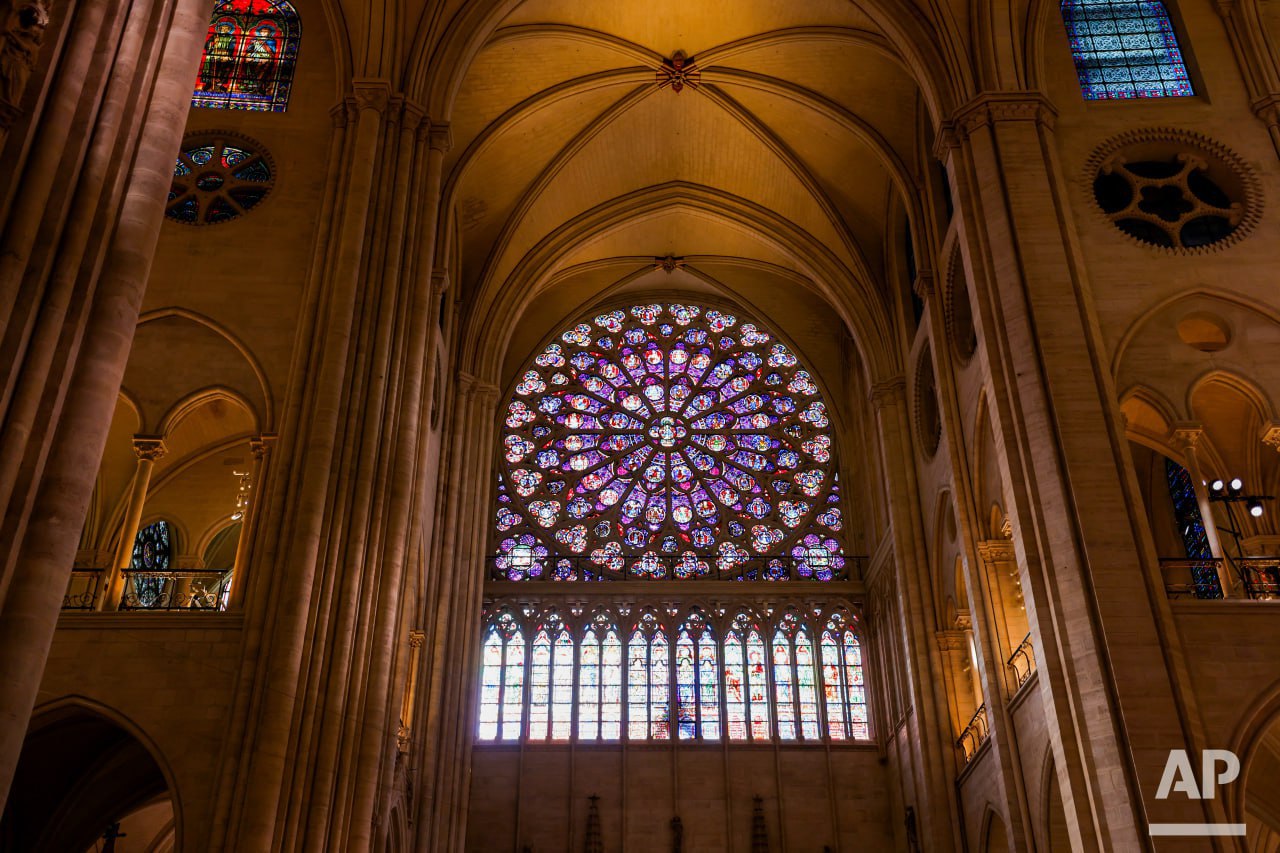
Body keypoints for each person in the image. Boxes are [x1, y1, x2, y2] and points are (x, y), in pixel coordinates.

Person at [200, 19, 236, 93]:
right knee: (211, 64)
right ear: (220, 29)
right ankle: (210, 83)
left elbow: (231, 48)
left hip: (225, 54)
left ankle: (220, 83)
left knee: (229, 63)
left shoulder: (232, 38)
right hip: (214, 54)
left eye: (226, 28)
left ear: (229, 30)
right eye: (223, 28)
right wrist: (213, 43)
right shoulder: (215, 36)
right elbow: (207, 45)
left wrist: (227, 54)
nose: (224, 30)